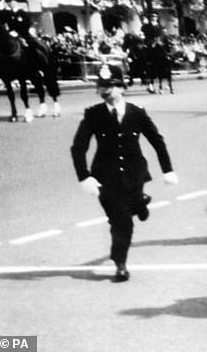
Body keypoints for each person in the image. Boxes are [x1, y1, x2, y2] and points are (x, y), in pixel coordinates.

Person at [71, 64, 179, 282]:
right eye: (101, 87)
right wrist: (84, 176)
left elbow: (157, 141)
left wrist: (168, 170)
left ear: (122, 87)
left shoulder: (137, 113)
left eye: (110, 86)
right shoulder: (94, 114)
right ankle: (120, 263)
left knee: (127, 209)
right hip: (105, 177)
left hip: (135, 173)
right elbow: (78, 147)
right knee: (121, 221)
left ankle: (139, 201)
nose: (105, 91)